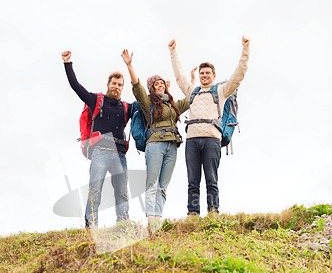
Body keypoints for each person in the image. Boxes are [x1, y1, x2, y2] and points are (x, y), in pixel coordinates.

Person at [168, 36, 250, 216]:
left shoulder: (221, 91)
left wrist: (245, 49)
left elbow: (239, 75)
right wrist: (173, 52)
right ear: (199, 76)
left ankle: (213, 213)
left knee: (211, 180)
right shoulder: (192, 91)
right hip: (192, 140)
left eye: (207, 73)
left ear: (214, 76)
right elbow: (179, 76)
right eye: (202, 73)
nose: (204, 76)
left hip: (212, 139)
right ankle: (193, 214)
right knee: (192, 181)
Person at [61, 50, 133, 228]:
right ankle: (90, 226)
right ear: (108, 84)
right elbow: (76, 86)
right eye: (114, 83)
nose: (116, 87)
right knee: (95, 190)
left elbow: (145, 104)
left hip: (119, 154)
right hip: (100, 152)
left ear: (122, 87)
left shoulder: (126, 107)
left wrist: (130, 65)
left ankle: (123, 224)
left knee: (122, 192)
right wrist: (67, 63)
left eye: (120, 85)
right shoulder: (96, 100)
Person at [121, 49, 189, 231]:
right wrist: (129, 65)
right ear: (152, 87)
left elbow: (190, 99)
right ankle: (151, 218)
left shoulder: (173, 104)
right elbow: (137, 87)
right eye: (156, 84)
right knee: (152, 183)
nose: (159, 85)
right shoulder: (148, 102)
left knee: (163, 185)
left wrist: (192, 82)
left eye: (161, 83)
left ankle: (158, 219)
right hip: (155, 145)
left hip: (172, 145)